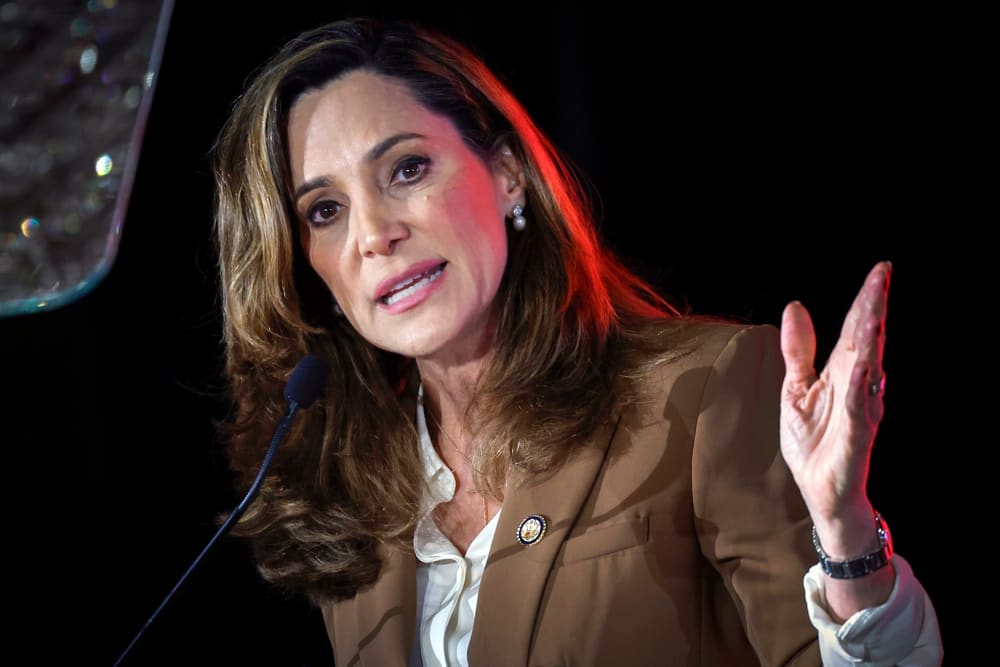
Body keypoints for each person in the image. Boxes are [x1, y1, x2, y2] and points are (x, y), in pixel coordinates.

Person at [209, 15, 943, 666]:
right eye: (326, 209)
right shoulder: (357, 492)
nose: (374, 234)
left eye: (406, 169)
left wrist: (845, 534)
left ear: (506, 176)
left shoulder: (703, 391)